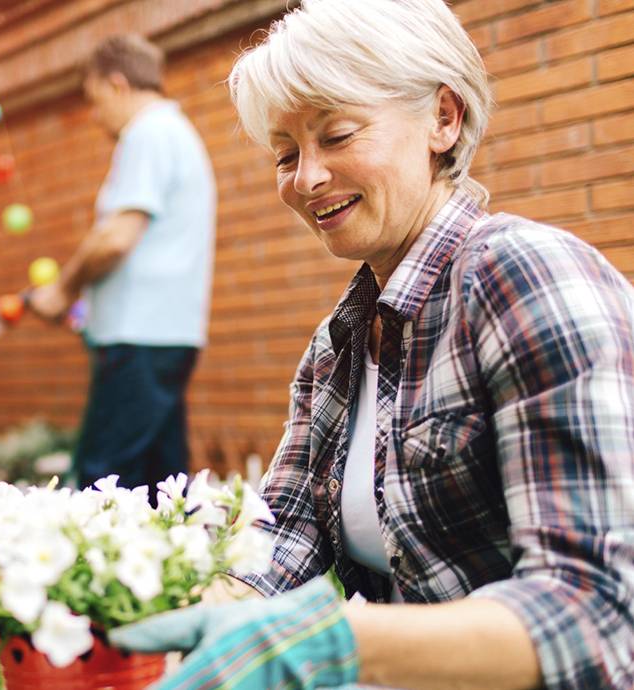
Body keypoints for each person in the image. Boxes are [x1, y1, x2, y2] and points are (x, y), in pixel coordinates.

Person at [108, 1, 634, 688]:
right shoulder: (339, 348)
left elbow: (596, 611)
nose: (306, 180)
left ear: (443, 119)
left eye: (338, 135)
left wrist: (336, 639)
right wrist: (123, 617)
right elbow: (278, 538)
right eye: (287, 154)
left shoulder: (524, 277)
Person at [28, 34, 216, 501]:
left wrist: (61, 291)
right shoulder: (176, 133)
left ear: (117, 85)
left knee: (102, 484)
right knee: (162, 490)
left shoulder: (147, 132)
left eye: (94, 101)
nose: (95, 117)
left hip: (139, 340)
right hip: (166, 336)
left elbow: (115, 237)